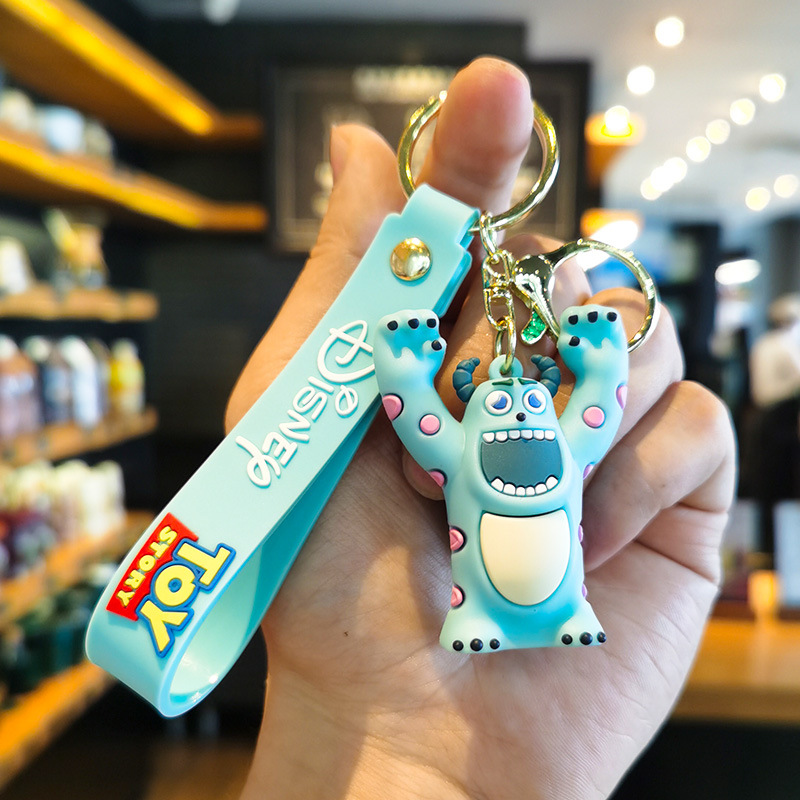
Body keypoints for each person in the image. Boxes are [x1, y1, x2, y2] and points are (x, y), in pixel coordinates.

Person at [225, 57, 736, 800]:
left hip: (556, 605)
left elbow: (591, 409)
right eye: (503, 402)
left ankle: (567, 612)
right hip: (455, 621)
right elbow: (426, 417)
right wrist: (403, 373)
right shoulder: (487, 452)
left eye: (526, 400)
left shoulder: (543, 447)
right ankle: (510, 616)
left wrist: (600, 356)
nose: (520, 407)